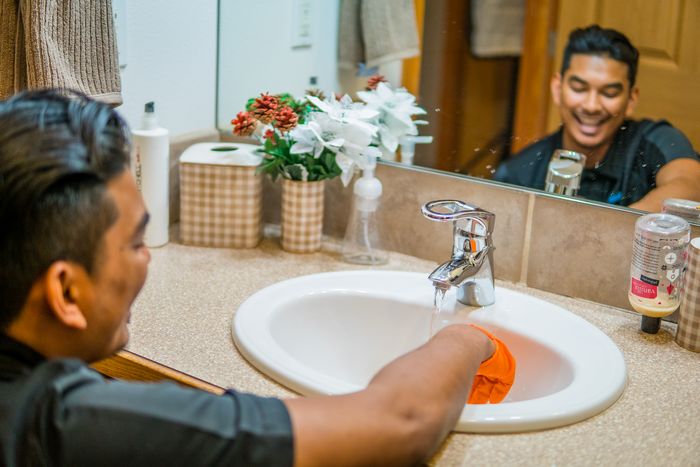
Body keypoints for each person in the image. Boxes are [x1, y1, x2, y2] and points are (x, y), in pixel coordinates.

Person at [0, 90, 512, 466]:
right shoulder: (66, 424)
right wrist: (466, 341)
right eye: (136, 243)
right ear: (66, 292)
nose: (147, 260)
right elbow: (399, 425)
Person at [494, 25, 700, 212]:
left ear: (630, 99)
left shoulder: (653, 141)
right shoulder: (521, 171)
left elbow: (691, 185)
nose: (591, 106)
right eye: (579, 88)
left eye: (609, 93)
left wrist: (609, 229)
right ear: (558, 89)